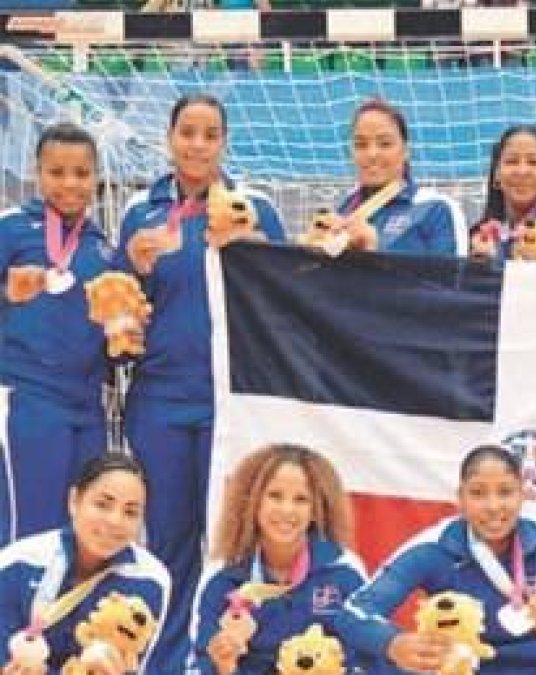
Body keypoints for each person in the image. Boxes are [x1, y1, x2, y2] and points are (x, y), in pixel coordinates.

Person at [116, 92, 288, 672]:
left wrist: (254, 248)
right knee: (168, 537)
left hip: (232, 400)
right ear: (169, 138)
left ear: (224, 142)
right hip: (159, 400)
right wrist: (132, 268)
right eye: (187, 132)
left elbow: (288, 296)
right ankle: (166, 663)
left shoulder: (255, 208)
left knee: (228, 538)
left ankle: (221, 658)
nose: (197, 144)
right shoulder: (140, 211)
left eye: (210, 134)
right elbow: (117, 311)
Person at [336, 445, 536, 675]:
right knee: (370, 658)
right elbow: (354, 611)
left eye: (505, 492)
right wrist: (392, 642)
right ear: (460, 498)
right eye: (478, 493)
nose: (493, 506)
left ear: (522, 495)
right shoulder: (432, 548)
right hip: (460, 667)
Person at [0, 122, 111, 545]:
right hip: (27, 398)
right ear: (37, 173)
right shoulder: (10, 228)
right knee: (28, 531)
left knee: (81, 532)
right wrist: (7, 293)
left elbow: (111, 332)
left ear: (96, 177)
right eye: (57, 172)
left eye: (81, 173)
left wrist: (124, 338)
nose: (69, 184)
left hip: (88, 406)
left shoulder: (103, 247)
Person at [191, 443, 371, 675]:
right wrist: (224, 665)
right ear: (253, 501)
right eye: (275, 496)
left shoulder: (344, 570)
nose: (287, 510)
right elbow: (198, 665)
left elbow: (366, 659)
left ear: (316, 509)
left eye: (301, 499)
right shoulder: (222, 575)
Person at [0, 453, 171, 674]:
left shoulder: (151, 580)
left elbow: (133, 666)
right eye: (103, 505)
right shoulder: (18, 563)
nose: (115, 521)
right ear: (74, 501)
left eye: (130, 512)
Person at [331, 97, 467, 257]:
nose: (372, 154)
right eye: (361, 145)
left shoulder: (436, 208)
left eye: (385, 144)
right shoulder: (345, 211)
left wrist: (373, 249)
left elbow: (453, 273)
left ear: (406, 151)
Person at [468, 125, 536, 262]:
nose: (522, 171)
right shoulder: (477, 239)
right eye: (511, 161)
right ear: (496, 174)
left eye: (534, 162)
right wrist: (480, 265)